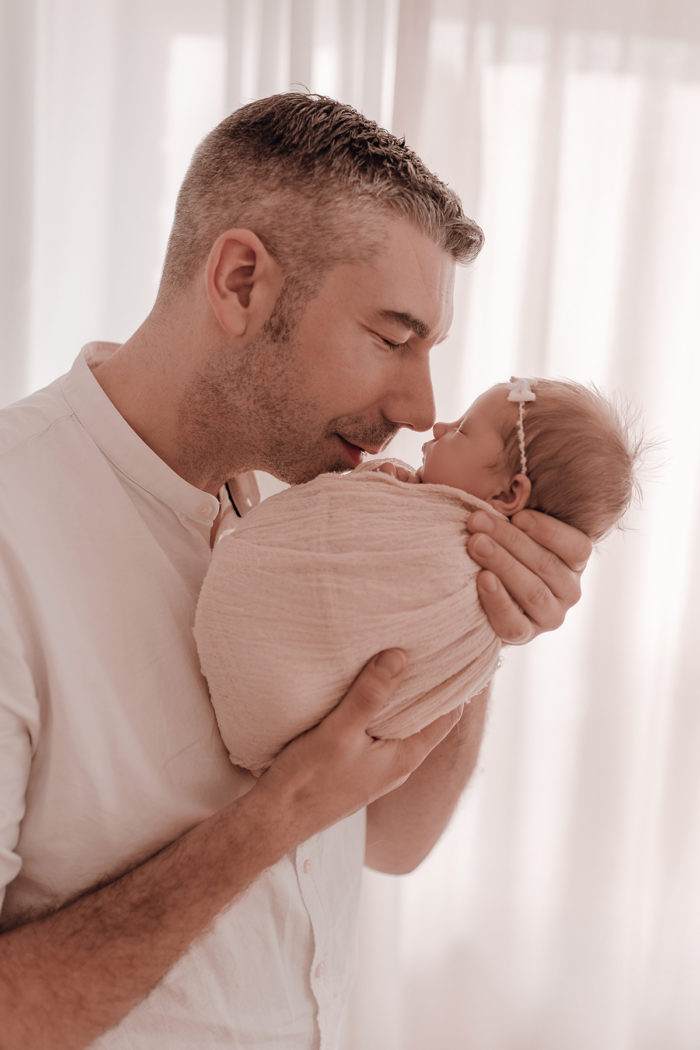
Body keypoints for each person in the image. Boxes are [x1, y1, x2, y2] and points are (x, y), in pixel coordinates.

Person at [0, 93, 592, 1049]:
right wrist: (275, 816)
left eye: (430, 350)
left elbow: (393, 841)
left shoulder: (334, 509)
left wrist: (479, 620)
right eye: (393, 338)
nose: (421, 403)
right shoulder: (13, 532)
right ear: (240, 282)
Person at [195, 376, 641, 777]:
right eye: (389, 337)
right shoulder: (413, 514)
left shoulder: (471, 572)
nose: (436, 424)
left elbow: (397, 845)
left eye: (463, 430)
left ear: (508, 493)